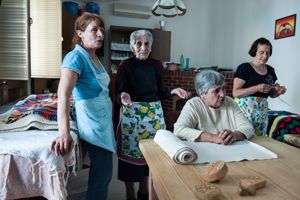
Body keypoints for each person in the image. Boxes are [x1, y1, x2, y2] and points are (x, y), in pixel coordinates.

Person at [115, 29, 190, 200]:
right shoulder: (125, 65)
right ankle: (129, 194)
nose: (143, 47)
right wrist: (123, 96)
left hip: (153, 118)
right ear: (132, 47)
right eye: (138, 43)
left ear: (151, 46)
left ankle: (143, 191)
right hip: (132, 116)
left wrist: (174, 91)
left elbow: (161, 92)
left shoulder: (156, 65)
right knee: (130, 159)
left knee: (150, 157)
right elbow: (119, 94)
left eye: (146, 43)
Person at [50, 13, 115, 200]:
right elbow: (64, 94)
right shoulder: (75, 57)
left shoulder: (94, 57)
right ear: (80, 33)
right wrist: (63, 132)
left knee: (102, 175)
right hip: (91, 121)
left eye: (101, 30)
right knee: (102, 175)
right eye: (94, 30)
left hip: (102, 120)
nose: (100, 34)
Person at [174, 70, 254, 144]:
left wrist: (234, 135)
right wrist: (213, 138)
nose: (222, 95)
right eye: (216, 91)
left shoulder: (230, 102)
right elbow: (179, 129)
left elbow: (248, 128)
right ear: (202, 94)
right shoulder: (193, 105)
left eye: (223, 89)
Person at [233, 37, 286, 136]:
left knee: (260, 141)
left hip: (262, 114)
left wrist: (278, 92)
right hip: (244, 113)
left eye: (268, 53)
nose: (265, 56)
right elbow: (235, 93)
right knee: (242, 137)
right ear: (254, 51)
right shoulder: (244, 68)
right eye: (261, 52)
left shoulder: (270, 70)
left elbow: (271, 94)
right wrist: (256, 88)